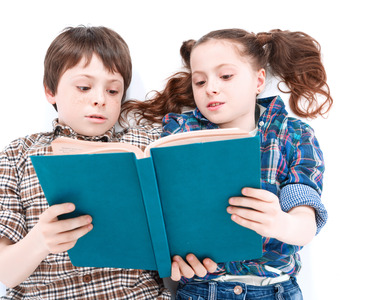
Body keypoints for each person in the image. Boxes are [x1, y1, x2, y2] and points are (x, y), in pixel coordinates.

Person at [122, 28, 333, 299]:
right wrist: (173, 257)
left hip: (274, 289)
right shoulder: (179, 134)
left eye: (225, 76)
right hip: (201, 288)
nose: (211, 88)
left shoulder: (292, 135)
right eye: (199, 82)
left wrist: (280, 222)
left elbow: (306, 221)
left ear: (259, 81)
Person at [0, 25, 169, 300]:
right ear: (50, 91)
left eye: (113, 91)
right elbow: (6, 272)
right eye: (84, 87)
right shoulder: (18, 154)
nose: (100, 99)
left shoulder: (146, 144)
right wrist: (40, 241)